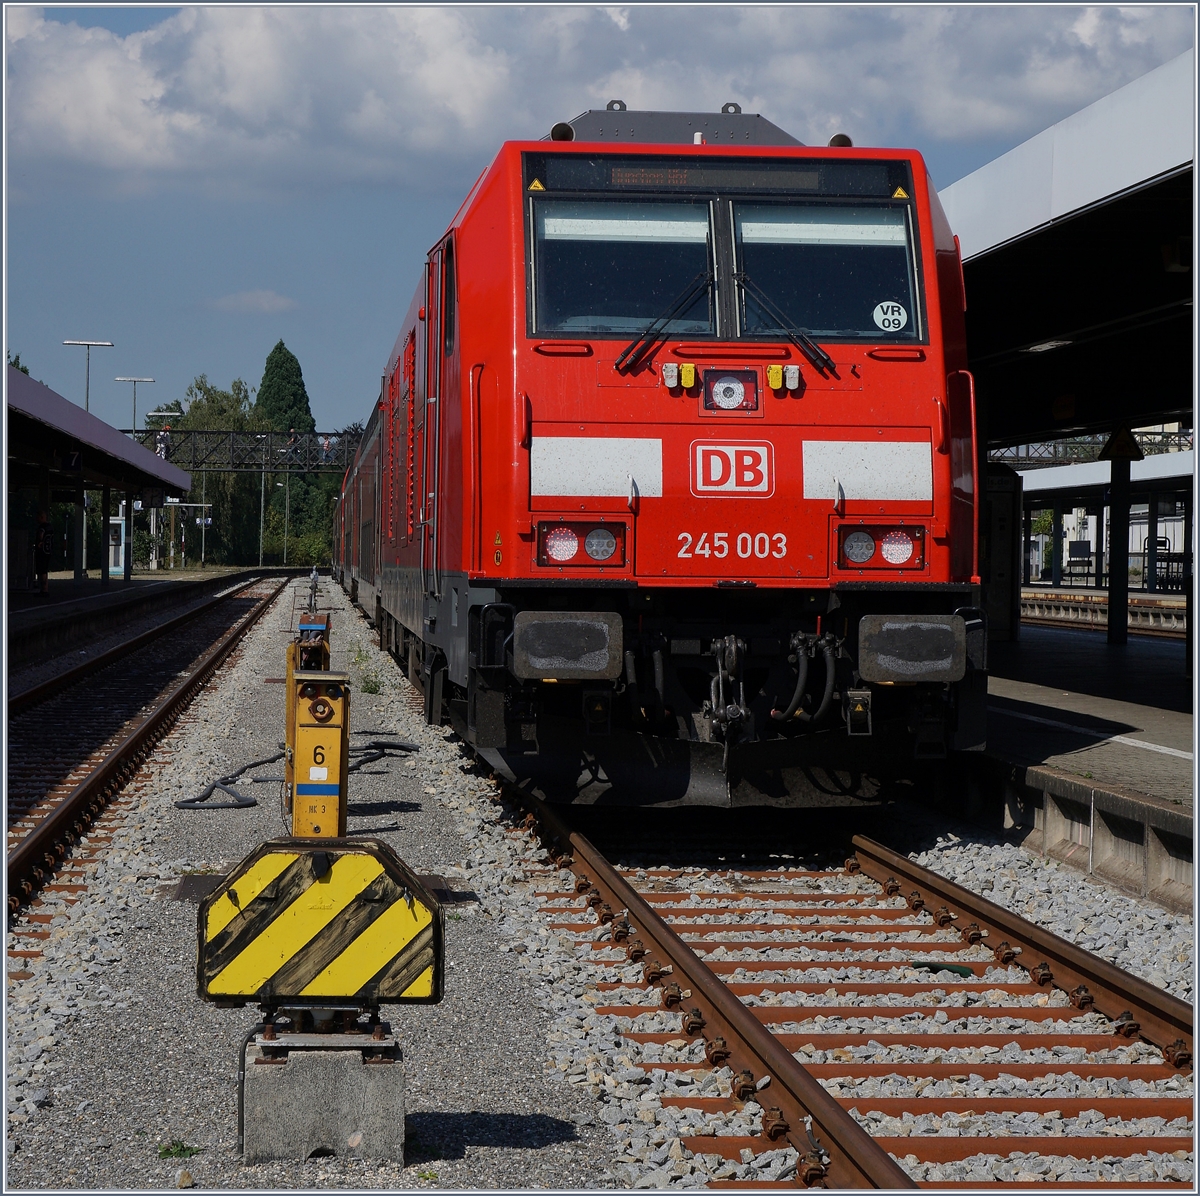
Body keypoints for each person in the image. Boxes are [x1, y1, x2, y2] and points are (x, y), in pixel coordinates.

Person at [35, 511, 53, 595]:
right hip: (48, 551)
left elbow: (41, 535)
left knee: (41, 570)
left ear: (42, 517)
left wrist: (39, 543)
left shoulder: (42, 527)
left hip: (42, 551)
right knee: (45, 570)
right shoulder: (50, 527)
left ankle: (44, 589)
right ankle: (46, 588)